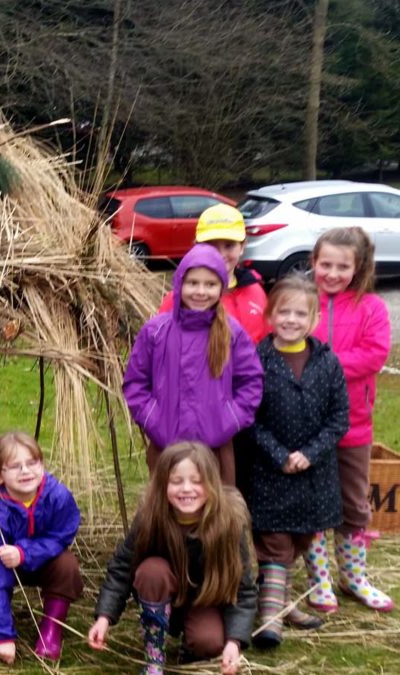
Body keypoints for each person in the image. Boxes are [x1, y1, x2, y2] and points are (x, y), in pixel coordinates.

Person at [87, 442, 256, 675]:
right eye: (176, 481)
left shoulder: (228, 524)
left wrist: (234, 641)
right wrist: (104, 617)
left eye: (197, 481)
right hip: (161, 593)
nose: (187, 489)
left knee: (208, 643)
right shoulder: (151, 518)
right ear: (163, 485)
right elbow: (122, 568)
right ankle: (154, 656)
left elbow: (244, 589)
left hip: (205, 601)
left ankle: (192, 646)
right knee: (151, 571)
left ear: (212, 484)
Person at [248, 276, 348, 647]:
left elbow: (339, 416)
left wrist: (310, 454)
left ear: (315, 318)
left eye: (300, 313)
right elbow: (249, 417)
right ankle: (270, 620)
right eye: (283, 311)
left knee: (300, 540)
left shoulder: (327, 362)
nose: (291, 319)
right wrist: (279, 454)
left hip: (313, 475)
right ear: (271, 315)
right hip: (269, 472)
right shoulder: (258, 360)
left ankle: (281, 601)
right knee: (274, 543)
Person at [302, 227, 393, 613]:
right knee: (314, 504)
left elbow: (373, 355)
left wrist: (324, 365)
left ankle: (353, 577)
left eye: (343, 266)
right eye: (326, 264)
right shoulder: (304, 302)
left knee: (354, 503)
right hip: (308, 425)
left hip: (355, 425)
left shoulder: (372, 308)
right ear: (314, 263)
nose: (333, 273)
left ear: (358, 268)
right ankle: (319, 580)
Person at [123, 244, 263, 485]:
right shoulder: (156, 331)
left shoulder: (232, 333)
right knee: (169, 513)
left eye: (210, 284)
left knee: (215, 516)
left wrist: (228, 420)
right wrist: (153, 420)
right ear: (179, 284)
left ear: (221, 288)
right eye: (193, 283)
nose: (201, 291)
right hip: (166, 446)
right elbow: (136, 382)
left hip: (216, 449)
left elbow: (251, 383)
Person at [0, 431, 83, 664]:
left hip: (44, 561)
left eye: (32, 463)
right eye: (15, 466)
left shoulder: (58, 496)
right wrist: (3, 636)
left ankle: (51, 629)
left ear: (42, 464)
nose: (25, 471)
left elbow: (63, 534)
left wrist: (24, 553)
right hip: (3, 566)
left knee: (68, 566)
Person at [157, 204, 268, 343]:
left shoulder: (256, 293)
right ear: (196, 246)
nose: (221, 254)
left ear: (242, 247)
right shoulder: (178, 299)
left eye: (229, 245)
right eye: (211, 245)